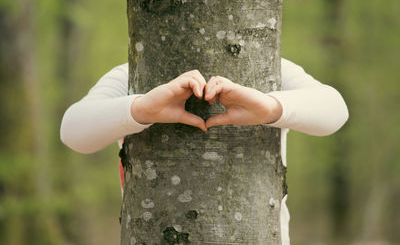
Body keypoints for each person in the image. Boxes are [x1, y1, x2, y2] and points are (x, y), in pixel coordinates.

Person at [60, 58, 349, 244]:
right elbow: (74, 132)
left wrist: (271, 108)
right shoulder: (131, 73)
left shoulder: (268, 66)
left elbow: (335, 110)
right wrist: (141, 109)